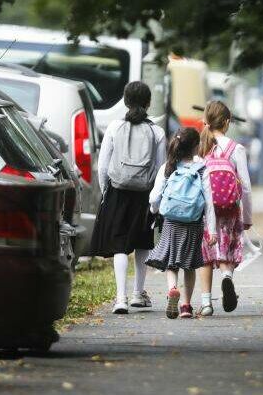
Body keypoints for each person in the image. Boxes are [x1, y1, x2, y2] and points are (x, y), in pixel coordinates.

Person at [89, 81, 166, 314]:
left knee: (120, 244)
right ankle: (137, 294)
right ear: (149, 102)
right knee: (143, 243)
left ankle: (120, 298)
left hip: (118, 192)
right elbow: (161, 168)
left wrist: (106, 192)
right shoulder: (157, 131)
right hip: (145, 194)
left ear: (125, 101)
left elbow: (102, 166)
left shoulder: (114, 127)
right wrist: (157, 199)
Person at [146, 128, 216, 319]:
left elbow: (154, 196)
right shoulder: (202, 168)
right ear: (196, 147)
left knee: (171, 263)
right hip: (193, 222)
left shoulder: (168, 167)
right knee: (190, 265)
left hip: (171, 221)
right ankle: (186, 306)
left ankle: (172, 289)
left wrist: (155, 210)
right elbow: (209, 202)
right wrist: (213, 230)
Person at [198, 100, 253, 316]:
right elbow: (246, 186)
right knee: (226, 249)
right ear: (227, 122)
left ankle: (206, 303)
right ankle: (227, 278)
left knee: (206, 254)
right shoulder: (236, 148)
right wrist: (247, 216)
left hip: (206, 210)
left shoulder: (201, 147)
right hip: (230, 209)